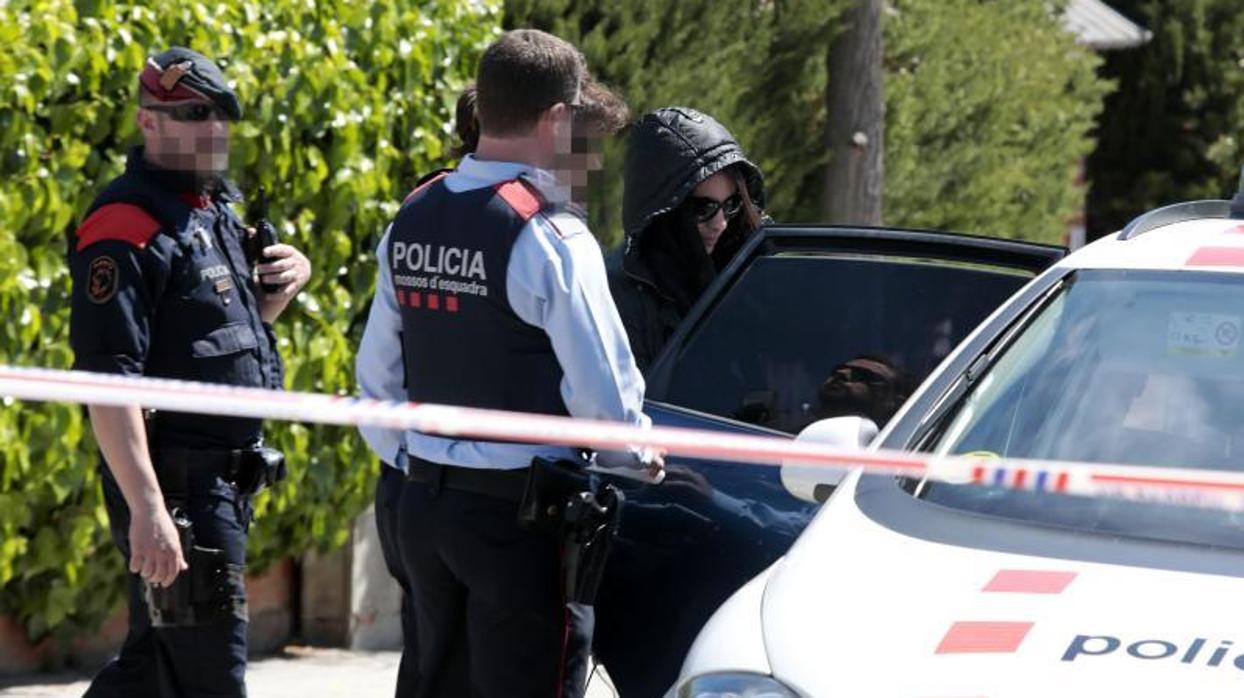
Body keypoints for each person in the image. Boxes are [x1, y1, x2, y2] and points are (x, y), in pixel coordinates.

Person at [355, 28, 656, 698]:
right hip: (516, 524)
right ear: (556, 118)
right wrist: (640, 457)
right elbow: (605, 401)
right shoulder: (549, 233)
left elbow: (376, 382)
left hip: (423, 513)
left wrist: (423, 461)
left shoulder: (415, 214)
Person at [68, 47, 311, 697]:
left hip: (221, 489)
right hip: (178, 489)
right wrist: (147, 509)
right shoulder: (126, 223)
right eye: (194, 114)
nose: (214, 128)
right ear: (149, 122)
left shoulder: (211, 209)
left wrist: (280, 294)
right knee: (210, 677)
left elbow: (207, 338)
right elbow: (107, 378)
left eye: (221, 114)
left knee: (156, 671)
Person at [364, 80, 484, 698]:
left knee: (429, 659)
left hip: (412, 485)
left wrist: (406, 458)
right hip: (487, 494)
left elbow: (376, 370)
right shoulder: (529, 225)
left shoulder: (414, 216)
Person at [608, 107, 768, 372]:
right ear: (663, 212)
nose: (721, 223)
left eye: (731, 204)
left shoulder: (748, 270)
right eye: (703, 209)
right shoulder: (618, 294)